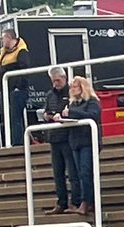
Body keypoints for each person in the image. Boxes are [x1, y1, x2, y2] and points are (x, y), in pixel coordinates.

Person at [56, 76, 102, 218]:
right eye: (71, 87)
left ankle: (86, 203)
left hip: (88, 141)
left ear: (83, 87)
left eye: (75, 86)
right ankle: (86, 202)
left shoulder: (92, 102)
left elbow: (93, 115)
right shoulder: (73, 104)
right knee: (78, 173)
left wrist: (71, 113)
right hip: (75, 141)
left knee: (86, 172)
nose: (72, 89)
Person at [40, 67, 78, 214]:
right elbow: (47, 109)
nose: (56, 83)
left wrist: (61, 115)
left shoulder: (71, 93)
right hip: (53, 138)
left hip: (68, 137)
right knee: (58, 173)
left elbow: (71, 111)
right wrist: (46, 115)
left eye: (58, 80)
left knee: (72, 172)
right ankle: (61, 202)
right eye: (53, 81)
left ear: (64, 77)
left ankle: (75, 202)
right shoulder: (50, 95)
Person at [0, 28, 31, 147]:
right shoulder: (3, 52)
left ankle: (18, 143)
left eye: (3, 38)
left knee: (15, 116)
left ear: (9, 38)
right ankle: (9, 141)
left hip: (16, 90)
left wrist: (18, 87)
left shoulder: (22, 51)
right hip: (5, 90)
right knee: (6, 117)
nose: (2, 41)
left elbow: (25, 69)